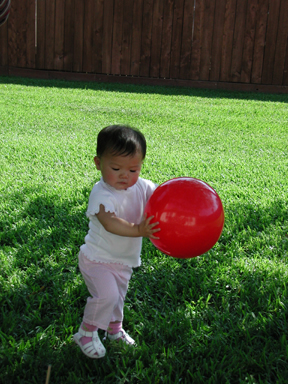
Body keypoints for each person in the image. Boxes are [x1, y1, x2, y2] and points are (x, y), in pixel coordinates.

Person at [73, 124, 160, 359]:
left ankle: (114, 330)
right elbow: (111, 223)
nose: (125, 175)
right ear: (98, 163)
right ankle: (86, 331)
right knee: (106, 296)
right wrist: (139, 229)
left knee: (118, 298)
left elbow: (162, 197)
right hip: (97, 259)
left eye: (133, 169)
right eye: (116, 168)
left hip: (123, 261)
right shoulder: (101, 193)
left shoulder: (143, 187)